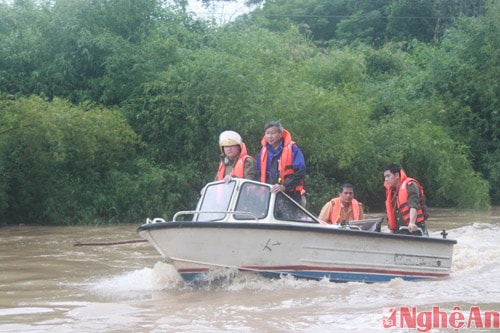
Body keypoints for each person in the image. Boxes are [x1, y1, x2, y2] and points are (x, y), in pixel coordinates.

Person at [256, 121, 306, 206]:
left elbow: (301, 171)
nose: (269, 136)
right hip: (269, 193)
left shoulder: (292, 148)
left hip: (290, 194)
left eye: (273, 133)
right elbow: (258, 173)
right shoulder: (263, 151)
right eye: (267, 133)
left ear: (281, 134)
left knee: (289, 219)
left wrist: (284, 186)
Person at [383, 164, 429, 235]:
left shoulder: (410, 185)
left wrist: (411, 223)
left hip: (414, 229)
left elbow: (413, 205)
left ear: (397, 175)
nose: (386, 179)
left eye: (388, 176)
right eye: (385, 177)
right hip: (400, 230)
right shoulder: (392, 192)